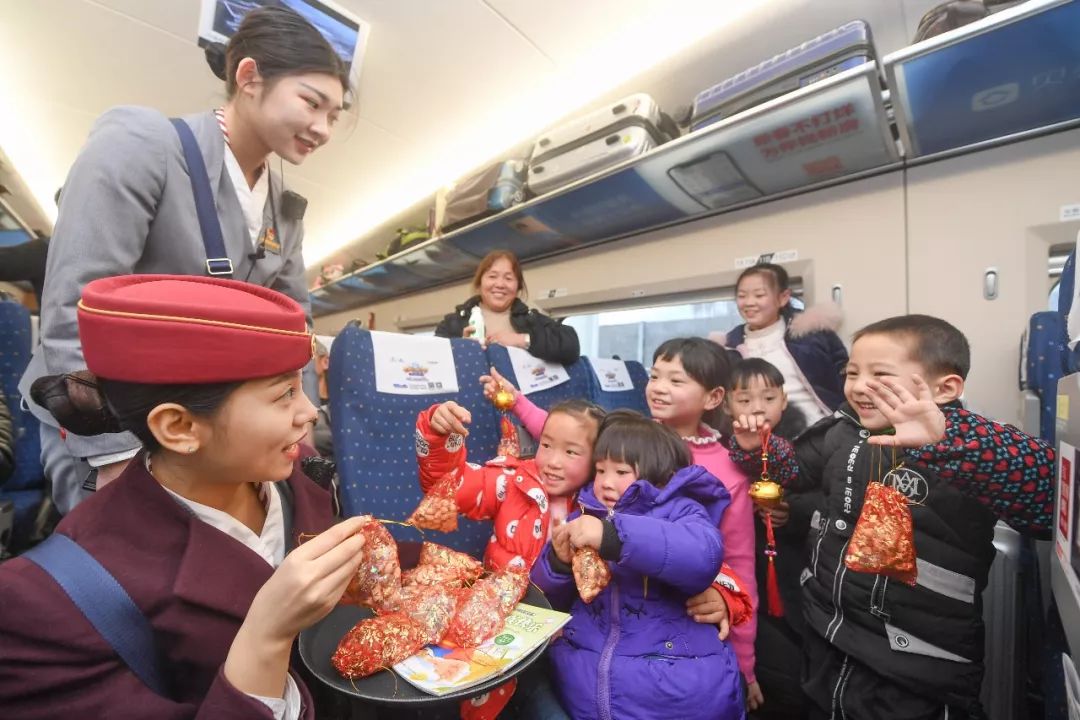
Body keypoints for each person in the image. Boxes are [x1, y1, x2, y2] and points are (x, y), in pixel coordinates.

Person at [18, 6, 351, 515]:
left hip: (208, 431)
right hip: (115, 418)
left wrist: (299, 432)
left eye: (334, 115)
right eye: (312, 102)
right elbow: (76, 309)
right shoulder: (141, 145)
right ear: (249, 77)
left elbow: (293, 331)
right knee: (139, 546)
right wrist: (113, 453)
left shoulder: (284, 210)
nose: (323, 128)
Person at [0, 274, 370, 719]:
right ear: (179, 428)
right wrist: (266, 639)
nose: (310, 412)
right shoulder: (52, 599)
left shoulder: (301, 472)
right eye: (285, 394)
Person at [727, 314, 1055, 719]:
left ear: (945, 388)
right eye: (852, 373)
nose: (859, 386)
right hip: (827, 635)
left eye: (880, 374)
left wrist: (948, 440)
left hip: (915, 658)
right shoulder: (841, 431)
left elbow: (1050, 499)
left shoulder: (972, 447)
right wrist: (756, 447)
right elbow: (793, 471)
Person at [487, 337, 764, 708]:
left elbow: (728, 560)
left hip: (674, 645)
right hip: (594, 660)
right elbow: (568, 437)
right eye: (655, 376)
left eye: (676, 380)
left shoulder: (715, 476)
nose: (659, 387)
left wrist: (744, 659)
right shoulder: (619, 440)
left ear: (713, 397)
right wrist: (557, 563)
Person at [531, 412, 747, 720]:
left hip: (671, 689)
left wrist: (614, 538)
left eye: (621, 471)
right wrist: (558, 564)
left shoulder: (682, 511)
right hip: (585, 685)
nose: (606, 482)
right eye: (600, 470)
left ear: (659, 475)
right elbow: (546, 603)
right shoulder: (585, 516)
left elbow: (702, 556)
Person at [415, 395, 605, 720]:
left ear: (597, 459)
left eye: (571, 452)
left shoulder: (603, 504)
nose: (552, 461)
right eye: (546, 445)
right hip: (501, 629)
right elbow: (447, 488)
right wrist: (439, 436)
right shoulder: (512, 480)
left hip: (569, 642)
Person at [724, 357, 809, 719]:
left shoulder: (805, 441)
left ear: (784, 400)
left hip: (793, 564)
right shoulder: (724, 446)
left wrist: (793, 511)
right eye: (745, 400)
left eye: (769, 398)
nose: (757, 408)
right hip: (744, 563)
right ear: (726, 405)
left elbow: (808, 488)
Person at [718, 263, 848, 426]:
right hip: (760, 433)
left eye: (759, 295)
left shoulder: (810, 333)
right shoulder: (730, 346)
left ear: (783, 298)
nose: (749, 302)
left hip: (820, 428)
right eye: (742, 296)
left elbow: (845, 375)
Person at [434, 250, 580, 365]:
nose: (500, 284)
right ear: (479, 283)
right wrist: (460, 347)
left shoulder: (531, 320)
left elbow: (571, 346)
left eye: (508, 278)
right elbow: (434, 363)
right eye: (492, 276)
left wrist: (522, 340)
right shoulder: (452, 323)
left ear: (518, 287)